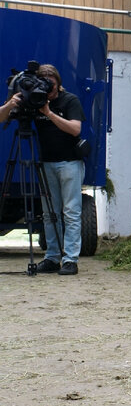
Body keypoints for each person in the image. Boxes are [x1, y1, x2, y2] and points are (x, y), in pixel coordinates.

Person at [0, 64, 86, 275]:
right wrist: (10, 104)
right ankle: (52, 258)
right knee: (49, 213)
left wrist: (48, 112)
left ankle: (70, 260)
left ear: (58, 83)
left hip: (70, 163)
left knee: (71, 213)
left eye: (51, 85)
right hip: (46, 163)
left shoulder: (69, 100)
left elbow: (75, 129)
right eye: (44, 84)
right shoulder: (32, 100)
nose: (47, 90)